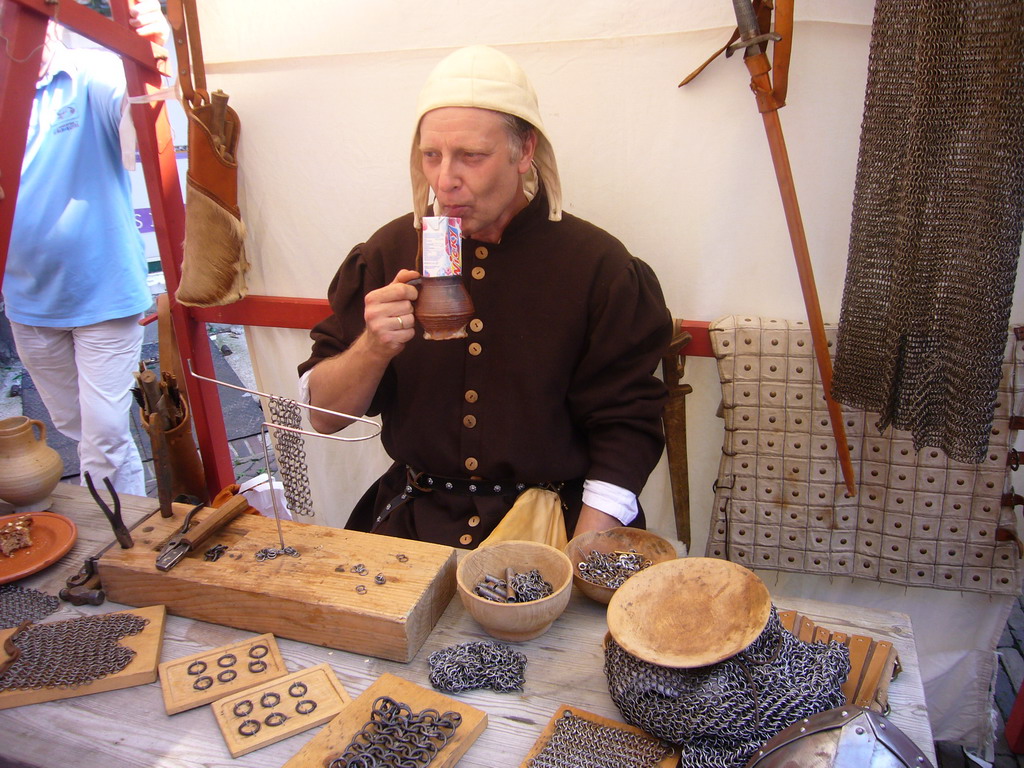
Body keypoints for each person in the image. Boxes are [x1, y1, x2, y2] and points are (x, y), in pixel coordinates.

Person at [299, 45, 672, 548]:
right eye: (432, 155)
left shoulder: (598, 267)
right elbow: (324, 417)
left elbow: (626, 425)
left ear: (524, 151)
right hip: (415, 523)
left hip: (552, 524)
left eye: (471, 156)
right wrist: (372, 346)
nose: (445, 180)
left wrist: (578, 556)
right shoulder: (388, 252)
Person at [3, 1, 170, 497]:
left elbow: (145, 108)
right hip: (28, 301)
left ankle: (120, 545)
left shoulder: (90, 76)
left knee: (104, 438)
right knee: (78, 430)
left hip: (102, 296)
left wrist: (155, 50)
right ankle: (133, 521)